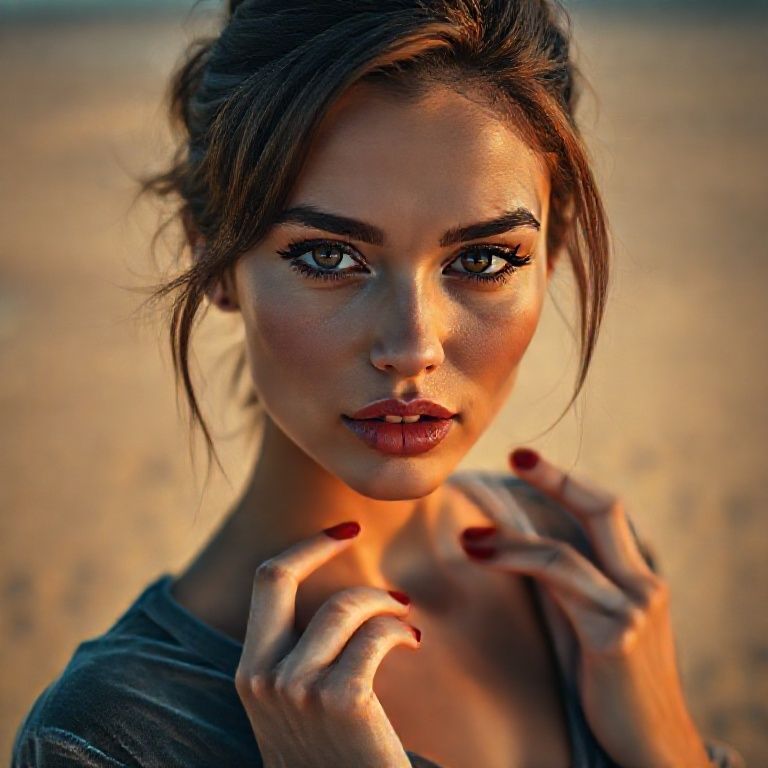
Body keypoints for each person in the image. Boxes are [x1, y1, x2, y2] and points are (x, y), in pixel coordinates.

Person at [11, 1, 745, 766]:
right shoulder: (103, 738)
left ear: (551, 254)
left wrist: (673, 748)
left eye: (485, 260)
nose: (412, 347)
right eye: (329, 257)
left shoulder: (591, 583)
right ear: (216, 261)